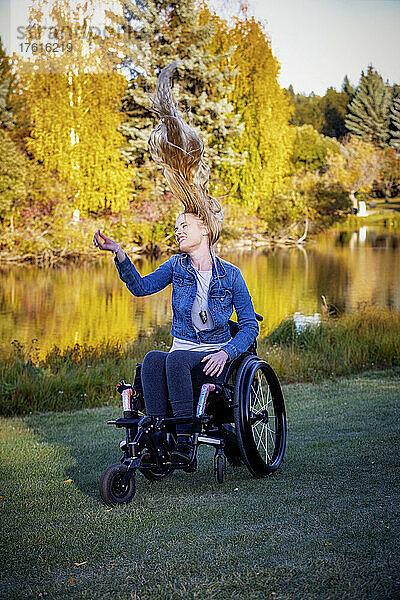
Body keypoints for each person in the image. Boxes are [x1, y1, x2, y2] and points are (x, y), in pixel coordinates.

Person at [93, 62, 259, 465]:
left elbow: (251, 325)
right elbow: (140, 288)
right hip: (183, 353)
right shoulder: (176, 267)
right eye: (176, 227)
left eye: (184, 226)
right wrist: (119, 254)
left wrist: (229, 352)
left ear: (205, 229)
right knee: (153, 358)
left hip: (214, 358)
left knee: (178, 359)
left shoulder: (231, 275)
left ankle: (184, 441)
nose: (177, 232)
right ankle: (157, 439)